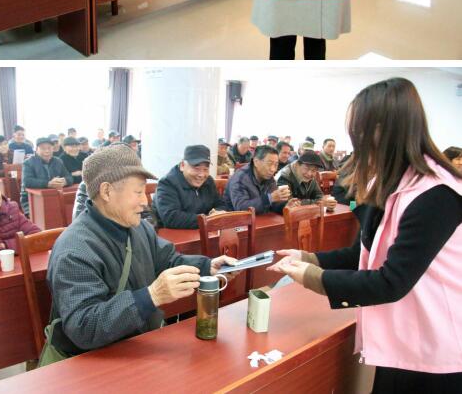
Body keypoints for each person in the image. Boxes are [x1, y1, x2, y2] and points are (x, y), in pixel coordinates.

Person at [269, 78, 462, 393]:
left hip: (437, 346)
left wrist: (312, 277)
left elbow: (391, 281)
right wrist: (308, 258)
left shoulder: (437, 194)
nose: (356, 147)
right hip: (403, 336)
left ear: (383, 132)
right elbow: (364, 252)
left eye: (360, 134)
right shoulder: (388, 182)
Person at [47, 144, 236, 355]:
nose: (145, 201)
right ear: (107, 191)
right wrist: (151, 296)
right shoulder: (75, 250)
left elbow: (168, 260)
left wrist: (207, 267)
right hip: (100, 359)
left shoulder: (138, 228)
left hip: (142, 342)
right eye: (138, 192)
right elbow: (84, 327)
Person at [153, 145, 225, 229]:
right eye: (196, 168)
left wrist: (217, 213)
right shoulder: (167, 183)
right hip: (173, 235)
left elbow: (221, 204)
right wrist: (208, 219)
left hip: (202, 232)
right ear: (182, 165)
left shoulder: (208, 181)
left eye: (205, 169)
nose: (201, 175)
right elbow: (171, 218)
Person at [223, 144, 292, 214]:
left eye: (276, 165)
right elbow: (241, 208)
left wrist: (286, 205)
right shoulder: (240, 178)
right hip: (235, 218)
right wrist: (270, 198)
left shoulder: (268, 177)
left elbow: (273, 204)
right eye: (269, 163)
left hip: (261, 217)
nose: (273, 169)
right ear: (256, 162)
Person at [20, 137, 74, 215]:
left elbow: (69, 177)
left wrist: (64, 181)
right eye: (43, 148)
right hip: (32, 201)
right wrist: (48, 184)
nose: (47, 151)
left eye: (49, 148)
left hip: (55, 198)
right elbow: (27, 181)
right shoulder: (28, 162)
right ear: (36, 149)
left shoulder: (58, 161)